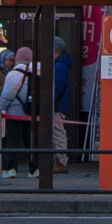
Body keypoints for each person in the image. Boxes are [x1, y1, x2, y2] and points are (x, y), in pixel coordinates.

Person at [0, 47, 34, 179]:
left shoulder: (13, 74)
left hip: (14, 113)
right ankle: (35, 170)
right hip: (33, 113)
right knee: (32, 142)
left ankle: (10, 169)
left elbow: (7, 95)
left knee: (12, 141)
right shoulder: (39, 72)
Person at [49, 36, 74, 174]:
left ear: (56, 50)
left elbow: (56, 88)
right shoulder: (63, 65)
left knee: (58, 133)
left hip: (56, 106)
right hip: (59, 104)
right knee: (58, 132)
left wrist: (49, 101)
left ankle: (61, 161)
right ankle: (59, 161)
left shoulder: (59, 66)